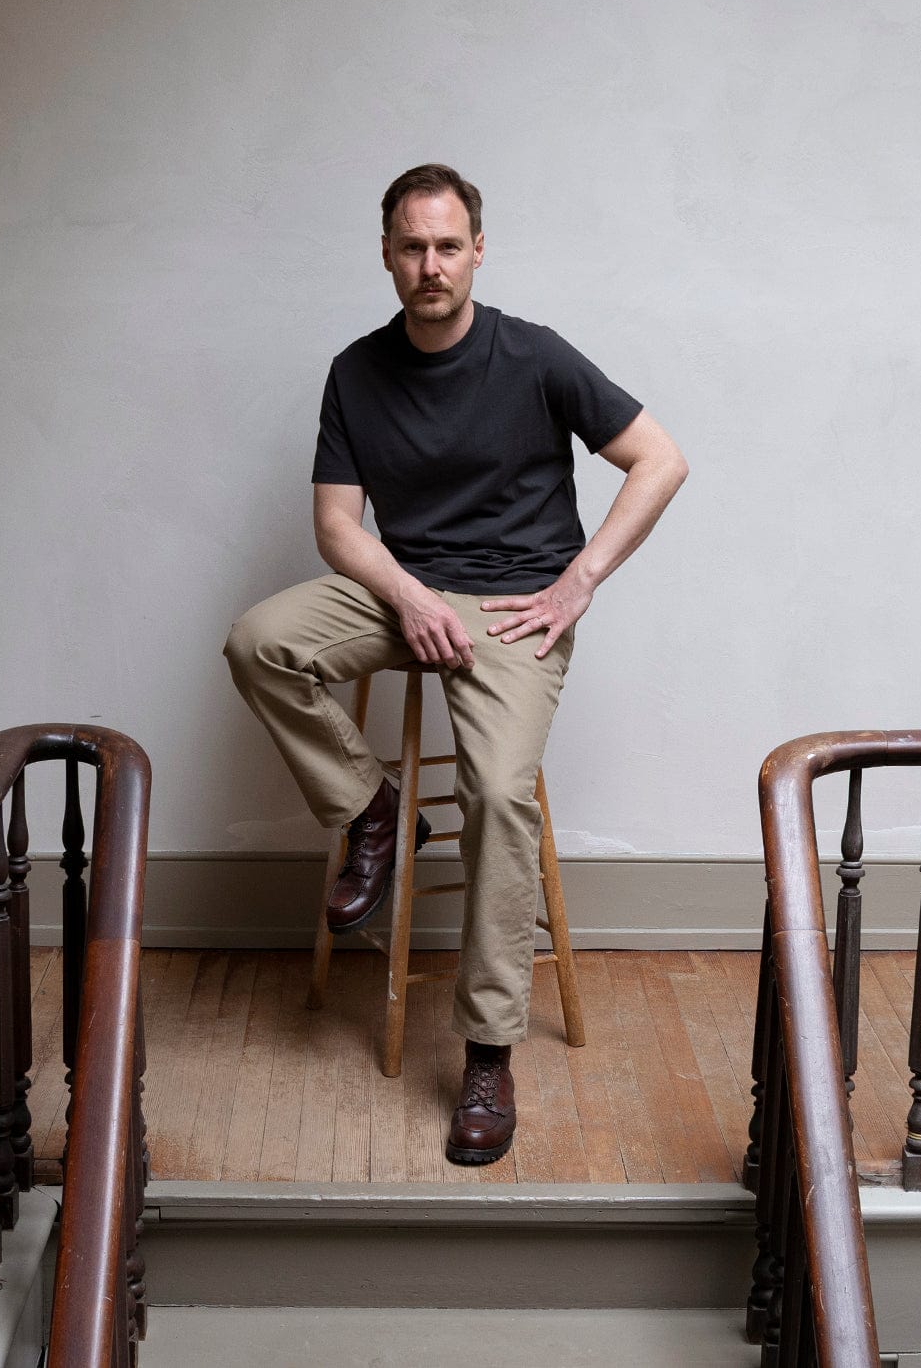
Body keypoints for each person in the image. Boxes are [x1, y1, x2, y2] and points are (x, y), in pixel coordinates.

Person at [225, 163, 687, 1166]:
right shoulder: (356, 371)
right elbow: (336, 526)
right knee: (261, 641)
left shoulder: (534, 356)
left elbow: (661, 459)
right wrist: (409, 597)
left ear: (478, 249)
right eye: (410, 246)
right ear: (386, 254)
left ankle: (487, 1050)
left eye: (446, 245)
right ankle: (374, 807)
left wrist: (581, 581)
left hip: (518, 611)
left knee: (494, 789)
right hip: (408, 591)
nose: (429, 265)